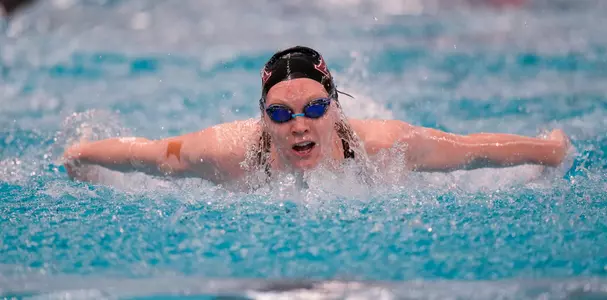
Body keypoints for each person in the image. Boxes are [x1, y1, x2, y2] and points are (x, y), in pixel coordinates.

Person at [63, 46, 570, 186]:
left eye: (314, 108)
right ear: (263, 118)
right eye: (281, 113)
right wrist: (82, 153)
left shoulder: (384, 145)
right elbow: (151, 153)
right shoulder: (227, 153)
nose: (299, 124)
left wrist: (550, 150)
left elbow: (472, 149)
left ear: (336, 106)